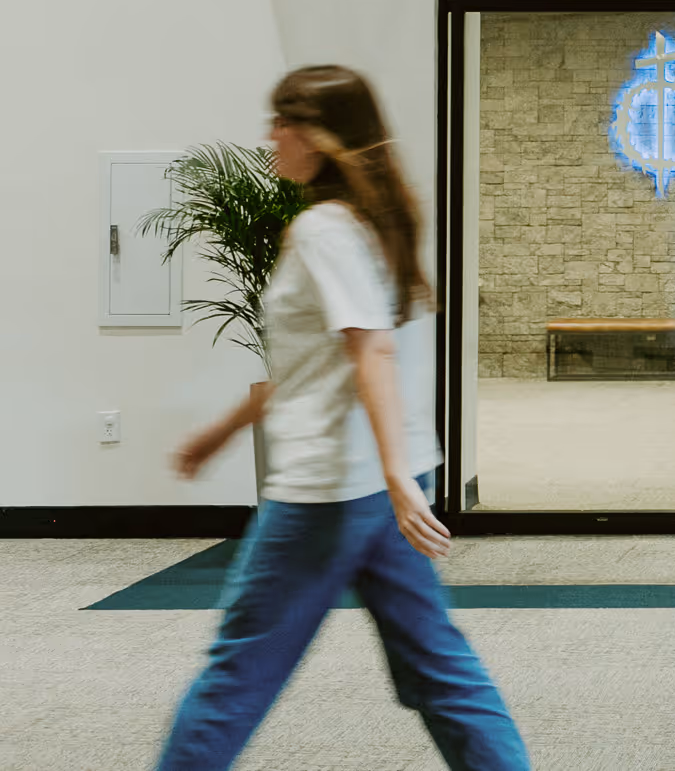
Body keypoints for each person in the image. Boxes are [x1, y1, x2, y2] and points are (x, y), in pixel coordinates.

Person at [158, 66, 528, 771]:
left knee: (236, 673)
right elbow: (318, 365)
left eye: (281, 123)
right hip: (382, 483)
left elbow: (372, 349)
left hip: (331, 490)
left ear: (317, 137)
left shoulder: (325, 229)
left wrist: (392, 477)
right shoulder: (378, 226)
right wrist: (225, 428)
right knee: (438, 668)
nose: (270, 138)